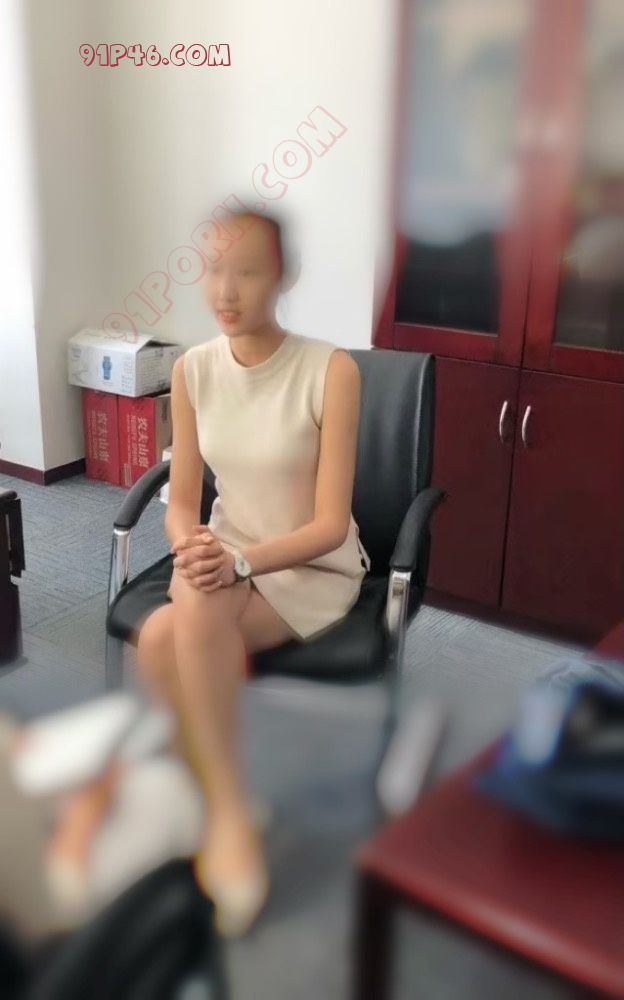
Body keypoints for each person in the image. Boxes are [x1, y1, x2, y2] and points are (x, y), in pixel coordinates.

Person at [134, 204, 371, 937]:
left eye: (248, 272)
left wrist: (235, 561)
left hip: (309, 568)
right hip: (223, 556)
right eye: (213, 270)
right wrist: (193, 546)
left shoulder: (331, 370)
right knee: (166, 628)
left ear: (283, 276)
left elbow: (330, 525)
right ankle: (226, 807)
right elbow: (182, 503)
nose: (226, 291)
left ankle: (225, 815)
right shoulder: (192, 369)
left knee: (175, 625)